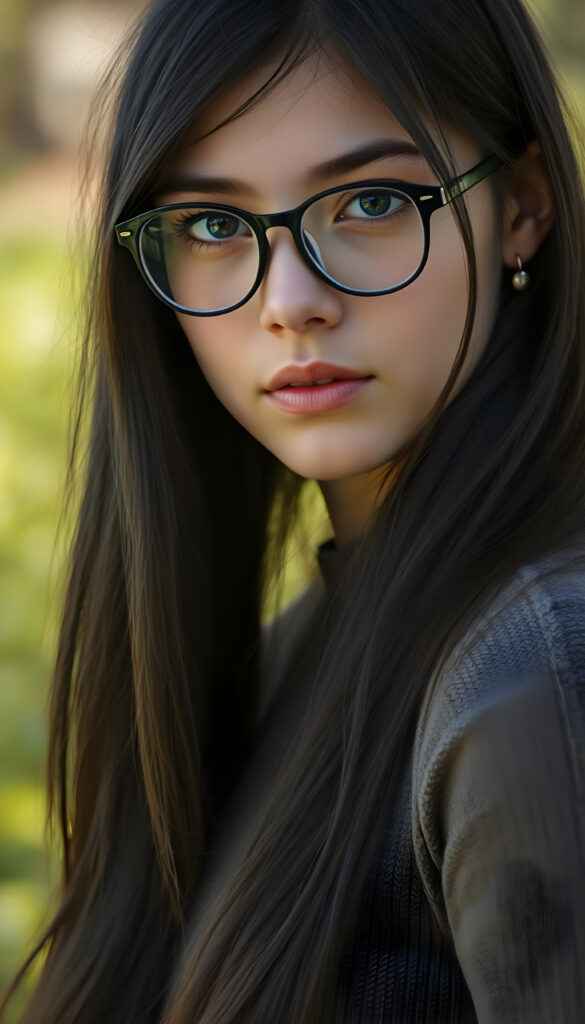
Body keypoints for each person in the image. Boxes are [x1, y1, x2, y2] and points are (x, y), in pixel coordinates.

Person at [3, 0, 585, 1021]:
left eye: (367, 202)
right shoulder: (278, 661)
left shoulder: (538, 671)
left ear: (523, 203)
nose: (289, 298)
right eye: (214, 225)